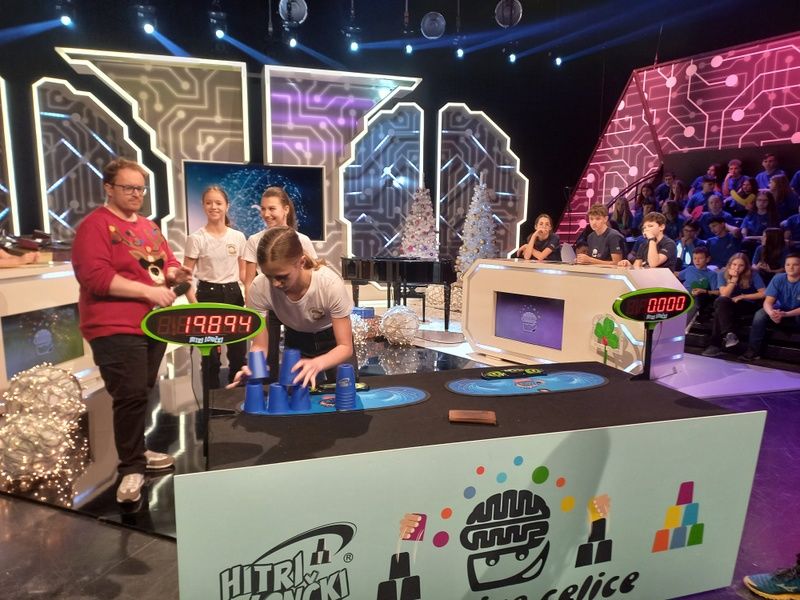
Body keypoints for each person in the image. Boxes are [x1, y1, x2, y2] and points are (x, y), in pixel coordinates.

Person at [71, 158, 190, 504]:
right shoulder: (95, 226)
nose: (136, 194)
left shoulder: (149, 227)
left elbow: (166, 260)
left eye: (141, 188)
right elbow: (95, 277)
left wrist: (173, 274)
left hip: (153, 324)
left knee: (141, 391)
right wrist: (148, 292)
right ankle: (131, 467)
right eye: (129, 188)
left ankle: (137, 451)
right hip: (113, 325)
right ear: (109, 188)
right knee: (131, 394)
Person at [234, 226, 353, 388]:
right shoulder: (259, 287)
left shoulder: (329, 284)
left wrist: (317, 363)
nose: (275, 284)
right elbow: (260, 344)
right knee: (294, 395)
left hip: (332, 339)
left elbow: (345, 347)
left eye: (282, 277)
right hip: (296, 339)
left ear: (301, 262)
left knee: (346, 394)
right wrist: (254, 369)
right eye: (269, 276)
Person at [243, 187, 318, 381]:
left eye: (272, 208)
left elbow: (315, 273)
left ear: (286, 209)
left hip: (297, 305)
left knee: (297, 352)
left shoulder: (302, 240)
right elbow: (249, 280)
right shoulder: (254, 240)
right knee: (267, 355)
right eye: (263, 209)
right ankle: (269, 390)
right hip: (269, 304)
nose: (266, 214)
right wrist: (252, 312)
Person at [182, 185, 247, 388]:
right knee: (210, 357)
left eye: (218, 203)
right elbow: (185, 277)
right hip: (207, 296)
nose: (214, 207)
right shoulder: (196, 238)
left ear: (227, 206)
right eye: (209, 203)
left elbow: (244, 273)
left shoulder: (238, 237)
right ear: (203, 206)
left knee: (238, 354)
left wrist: (253, 295)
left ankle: (237, 396)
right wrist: (194, 306)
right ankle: (211, 401)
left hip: (234, 295)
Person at [739, 252, 800, 362]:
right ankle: (753, 351)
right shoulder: (778, 278)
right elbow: (767, 302)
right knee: (760, 314)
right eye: (788, 264)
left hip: (796, 312)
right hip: (781, 310)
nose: (790, 267)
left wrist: (785, 314)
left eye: (795, 264)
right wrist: (772, 313)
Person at [701, 253, 765, 357]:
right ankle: (730, 335)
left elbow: (763, 293)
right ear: (730, 264)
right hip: (728, 304)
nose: (737, 268)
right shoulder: (722, 274)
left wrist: (743, 296)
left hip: (747, 304)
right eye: (734, 264)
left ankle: (715, 345)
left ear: (746, 266)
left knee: (719, 310)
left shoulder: (753, 274)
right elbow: (724, 294)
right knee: (721, 302)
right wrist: (733, 280)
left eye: (741, 265)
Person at [677, 246, 719, 327]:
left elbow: (717, 292)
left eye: (700, 258)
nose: (697, 261)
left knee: (693, 304)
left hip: (696, 298)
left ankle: (681, 328)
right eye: (695, 258)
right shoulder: (690, 269)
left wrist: (703, 291)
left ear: (707, 259)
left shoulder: (712, 274)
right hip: (682, 295)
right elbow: (677, 275)